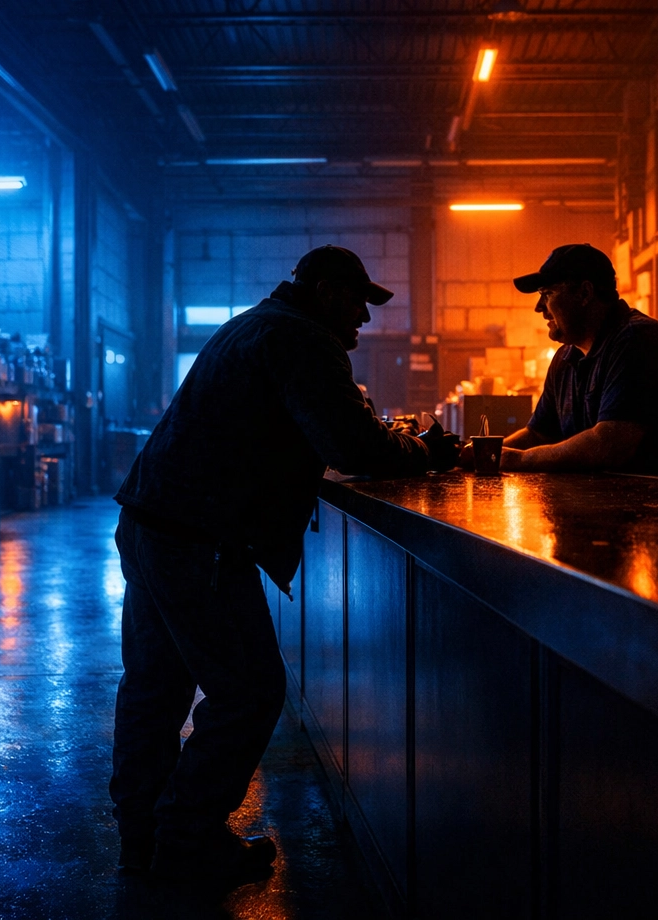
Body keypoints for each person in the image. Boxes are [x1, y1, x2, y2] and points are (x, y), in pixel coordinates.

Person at [111, 245, 459, 888]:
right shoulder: (300, 337)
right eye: (357, 302)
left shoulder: (257, 324)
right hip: (199, 539)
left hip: (154, 523)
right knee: (249, 693)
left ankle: (145, 841)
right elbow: (353, 444)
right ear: (325, 291)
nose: (363, 318)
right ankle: (185, 844)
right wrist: (427, 452)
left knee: (154, 693)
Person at [465, 243, 658, 483]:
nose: (539, 307)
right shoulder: (566, 358)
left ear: (585, 294)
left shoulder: (639, 341)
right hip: (644, 507)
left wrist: (518, 460)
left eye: (547, 294)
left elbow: (610, 443)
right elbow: (538, 432)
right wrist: (479, 455)